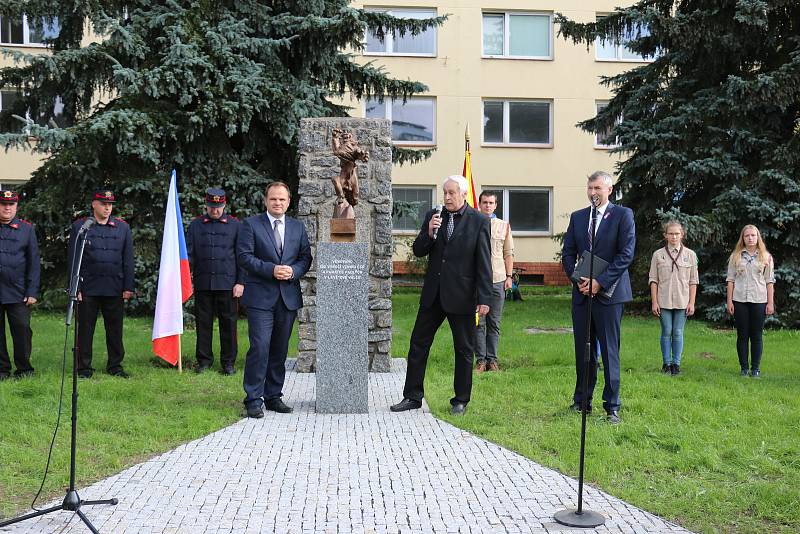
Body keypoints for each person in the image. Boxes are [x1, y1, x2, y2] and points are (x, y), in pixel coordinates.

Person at [390, 175, 492, 416]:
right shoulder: (434, 217)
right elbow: (418, 250)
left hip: (462, 295)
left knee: (464, 349)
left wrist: (484, 297)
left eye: (451, 193)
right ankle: (413, 396)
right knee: (418, 344)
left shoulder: (478, 220)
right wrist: (429, 233)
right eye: (444, 192)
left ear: (464, 194)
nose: (446, 197)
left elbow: (484, 261)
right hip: (433, 294)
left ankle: (460, 400)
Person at [561, 171, 635, 424]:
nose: (593, 193)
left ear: (609, 190)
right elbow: (568, 253)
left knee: (609, 351)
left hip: (610, 296)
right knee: (584, 350)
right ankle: (582, 401)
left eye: (598, 188)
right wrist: (579, 280)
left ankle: (612, 406)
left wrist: (600, 282)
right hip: (582, 295)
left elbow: (626, 254)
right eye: (590, 188)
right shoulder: (579, 217)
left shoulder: (623, 216)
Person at [238, 181, 312, 418]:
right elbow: (244, 257)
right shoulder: (250, 225)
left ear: (288, 202)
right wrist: (271, 269)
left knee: (279, 350)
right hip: (260, 297)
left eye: (282, 199)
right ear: (266, 201)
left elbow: (305, 258)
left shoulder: (297, 227)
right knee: (260, 347)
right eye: (273, 199)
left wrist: (294, 271)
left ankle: (273, 396)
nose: (277, 203)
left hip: (287, 297)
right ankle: (253, 398)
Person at [68, 190, 135, 378]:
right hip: (88, 288)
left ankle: (115, 365)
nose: (107, 207)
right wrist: (75, 287)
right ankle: (84, 368)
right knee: (85, 330)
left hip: (114, 287)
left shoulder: (122, 228)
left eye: (110, 204)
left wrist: (128, 286)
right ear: (93, 204)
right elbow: (74, 259)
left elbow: (127, 259)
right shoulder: (81, 227)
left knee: (115, 330)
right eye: (103, 203)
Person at [186, 188, 244, 375]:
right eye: (212, 206)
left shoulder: (235, 225)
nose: (215, 210)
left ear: (224, 204)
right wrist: (187, 279)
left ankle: (228, 363)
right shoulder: (196, 225)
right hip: (203, 283)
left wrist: (240, 282)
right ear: (206, 205)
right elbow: (189, 255)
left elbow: (241, 256)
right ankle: (204, 361)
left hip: (228, 284)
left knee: (229, 324)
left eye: (218, 206)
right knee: (203, 324)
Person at [648, 221, 699, 375]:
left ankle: (676, 364)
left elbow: (693, 281)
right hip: (663, 300)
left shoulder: (690, 255)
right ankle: (666, 363)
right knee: (666, 331)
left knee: (678, 331)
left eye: (677, 233)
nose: (674, 237)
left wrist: (692, 302)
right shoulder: (658, 255)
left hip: (683, 301)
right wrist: (654, 301)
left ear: (682, 234)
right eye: (671, 234)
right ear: (665, 235)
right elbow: (653, 279)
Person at [726, 224, 775, 378]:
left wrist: (770, 303)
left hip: (759, 300)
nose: (750, 238)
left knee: (756, 335)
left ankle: (755, 369)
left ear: (758, 237)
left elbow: (769, 281)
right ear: (743, 238)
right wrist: (729, 301)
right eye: (747, 236)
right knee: (742, 335)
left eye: (753, 235)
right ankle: (744, 368)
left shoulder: (766, 257)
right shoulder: (735, 256)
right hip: (739, 300)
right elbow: (730, 280)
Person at [0, 190, 40, 380]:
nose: (7, 208)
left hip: (18, 291)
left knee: (22, 330)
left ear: (16, 206)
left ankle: (24, 369)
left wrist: (32, 291)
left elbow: (33, 263)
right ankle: (2, 369)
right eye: (3, 204)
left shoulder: (27, 229)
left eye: (11, 204)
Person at [475, 190, 514, 373]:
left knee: (494, 322)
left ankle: (492, 360)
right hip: (477, 280)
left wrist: (509, 276)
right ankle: (480, 360)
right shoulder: (473, 223)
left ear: (496, 205)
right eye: (484, 202)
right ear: (479, 203)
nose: (488, 206)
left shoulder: (503, 226)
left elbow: (508, 253)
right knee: (478, 322)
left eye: (491, 203)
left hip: (498, 279)